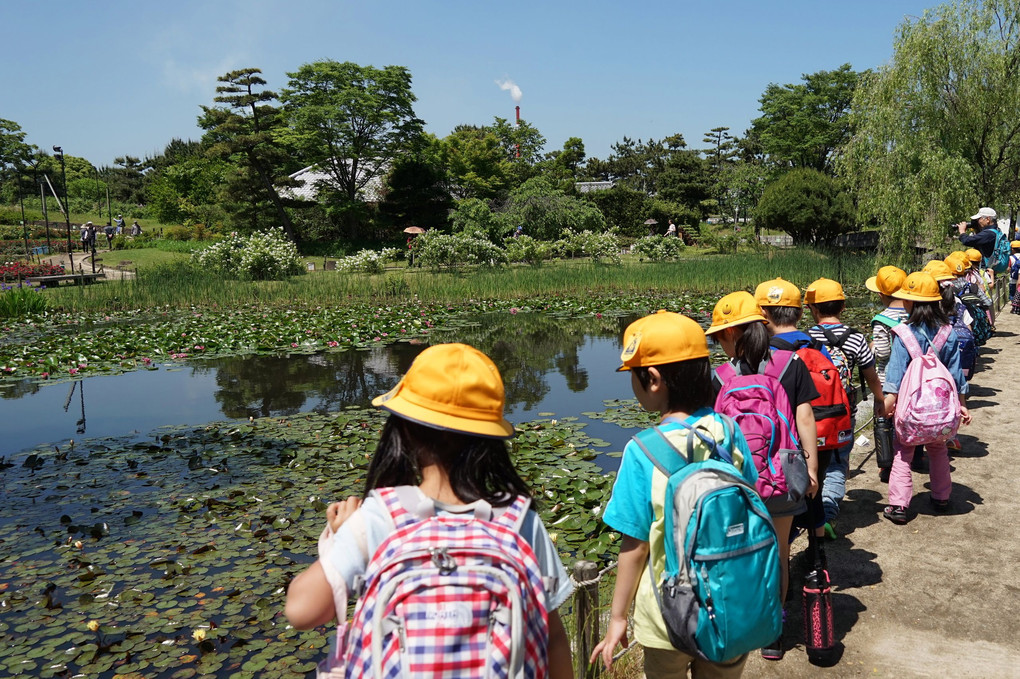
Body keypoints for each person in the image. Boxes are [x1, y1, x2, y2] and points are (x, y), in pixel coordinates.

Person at [284, 343, 573, 678]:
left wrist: (342, 536)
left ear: (404, 430)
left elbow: (301, 611)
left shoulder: (380, 518)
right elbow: (552, 638)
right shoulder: (518, 519)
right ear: (490, 439)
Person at [591, 310, 758, 677]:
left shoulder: (642, 450)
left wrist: (617, 616)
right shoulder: (728, 432)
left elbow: (634, 546)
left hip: (667, 619)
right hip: (728, 604)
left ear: (652, 379)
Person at [706, 291, 818, 661]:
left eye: (718, 336)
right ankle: (773, 634)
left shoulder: (719, 377)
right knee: (780, 553)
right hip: (781, 481)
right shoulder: (791, 364)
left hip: (735, 484)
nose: (718, 343)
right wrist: (811, 470)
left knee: (738, 554)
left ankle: (739, 626)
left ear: (730, 335)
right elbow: (804, 419)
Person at [881, 272, 971, 524]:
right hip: (940, 413)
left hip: (911, 412)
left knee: (903, 453)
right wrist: (962, 405)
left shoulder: (902, 334)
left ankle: (899, 505)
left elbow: (894, 377)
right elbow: (955, 376)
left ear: (910, 303)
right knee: (938, 449)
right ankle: (942, 497)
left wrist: (887, 405)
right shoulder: (948, 333)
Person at [804, 278, 885, 539]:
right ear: (843, 307)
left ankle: (810, 510)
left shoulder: (806, 338)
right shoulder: (856, 338)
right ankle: (827, 512)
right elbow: (870, 375)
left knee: (811, 460)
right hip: (843, 411)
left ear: (814, 309)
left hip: (809, 413)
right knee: (839, 461)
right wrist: (880, 399)